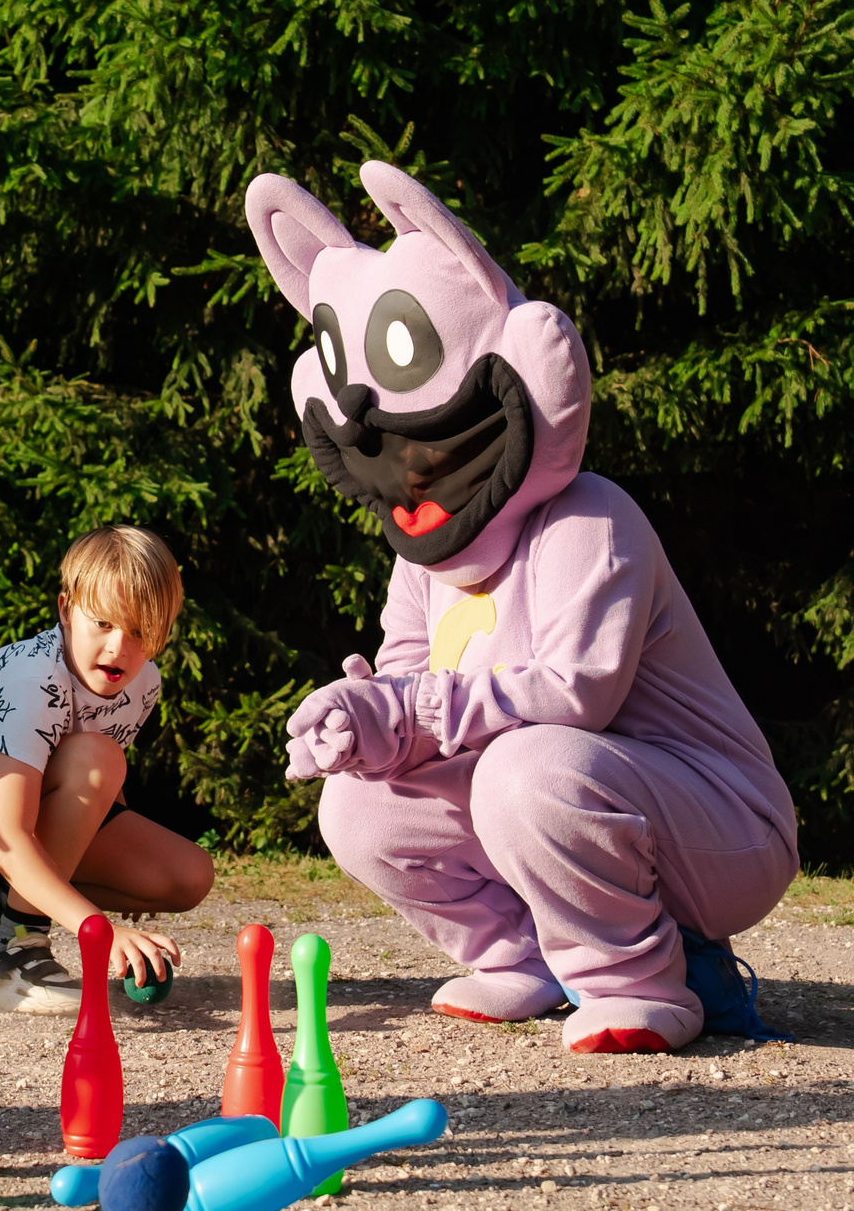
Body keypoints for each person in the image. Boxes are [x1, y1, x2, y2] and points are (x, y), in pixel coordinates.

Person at [247, 161, 797, 1052]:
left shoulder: (592, 518)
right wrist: (366, 722)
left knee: (526, 770)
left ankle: (639, 980)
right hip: (568, 809)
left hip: (723, 828)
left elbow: (577, 693)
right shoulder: (424, 560)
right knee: (356, 805)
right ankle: (520, 955)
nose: (408, 467)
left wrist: (412, 706)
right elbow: (409, 684)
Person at [0, 526, 213, 1014]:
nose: (118, 648)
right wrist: (100, 930)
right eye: (102, 623)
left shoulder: (144, 683)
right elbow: (10, 835)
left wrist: (123, 870)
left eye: (141, 631)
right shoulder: (35, 679)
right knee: (100, 756)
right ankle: (14, 951)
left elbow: (94, 792)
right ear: (66, 610)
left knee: (187, 876)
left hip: (26, 805)